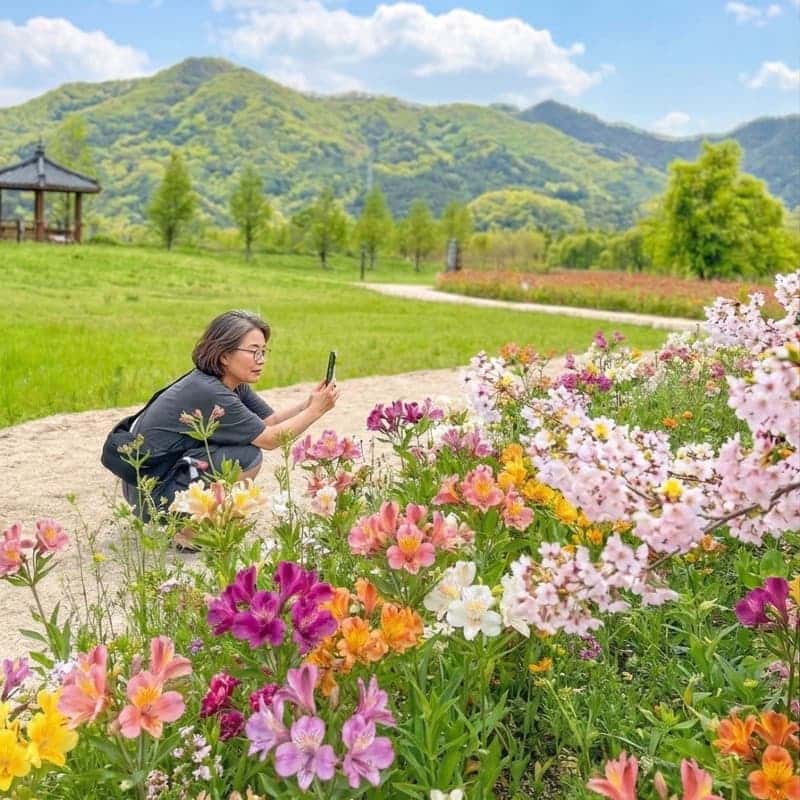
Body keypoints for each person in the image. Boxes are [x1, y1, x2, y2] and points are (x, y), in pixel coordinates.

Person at [122, 309, 339, 526]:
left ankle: (204, 522)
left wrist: (308, 404)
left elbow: (269, 422)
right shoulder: (210, 391)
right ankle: (195, 528)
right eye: (253, 351)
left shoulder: (229, 382)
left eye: (263, 351)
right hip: (153, 497)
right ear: (224, 355)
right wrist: (315, 411)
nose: (261, 360)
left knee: (243, 449)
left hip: (153, 486)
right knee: (247, 456)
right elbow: (269, 439)